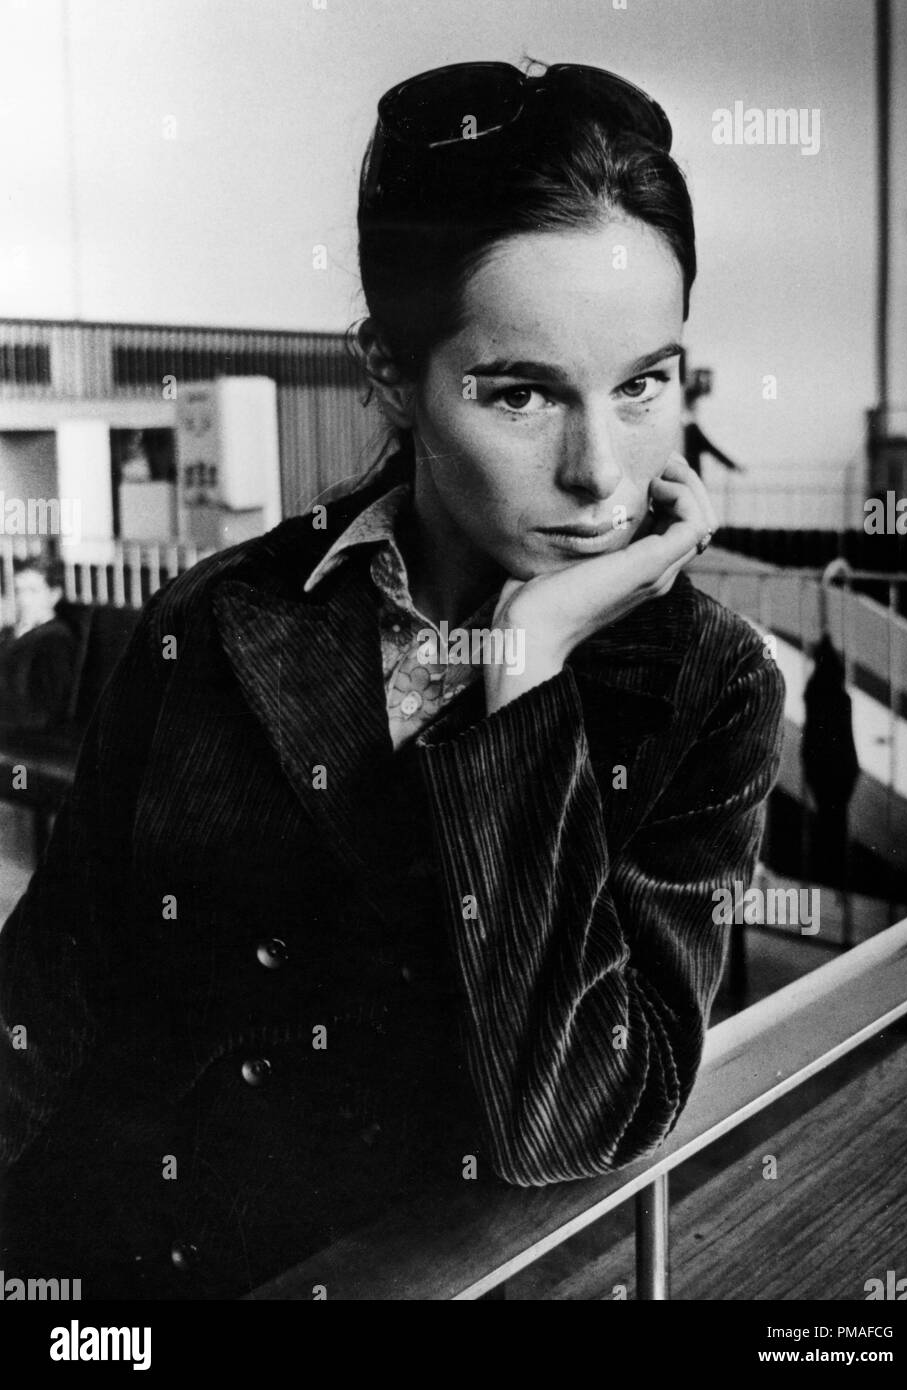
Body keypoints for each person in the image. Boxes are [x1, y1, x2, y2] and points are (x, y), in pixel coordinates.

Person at [0, 61, 786, 1300]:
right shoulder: (217, 621)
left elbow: (574, 1116)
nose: (598, 472)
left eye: (643, 382)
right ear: (385, 372)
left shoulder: (708, 689)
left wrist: (521, 678)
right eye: (522, 392)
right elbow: (52, 992)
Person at [0, 555, 78, 735]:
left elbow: (44, 711)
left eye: (33, 591)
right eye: (20, 591)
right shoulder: (11, 633)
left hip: (22, 732)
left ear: (54, 595)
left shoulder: (55, 639)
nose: (24, 600)